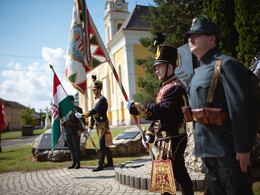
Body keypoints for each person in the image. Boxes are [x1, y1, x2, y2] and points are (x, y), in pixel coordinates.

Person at [185, 15, 258, 195]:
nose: (190, 38)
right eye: (189, 35)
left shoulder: (227, 65)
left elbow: (243, 107)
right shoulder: (198, 73)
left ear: (212, 38)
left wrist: (243, 148)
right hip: (206, 152)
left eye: (197, 34)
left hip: (229, 152)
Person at [127, 45, 194, 195]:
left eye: (159, 66)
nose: (156, 70)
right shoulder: (167, 87)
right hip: (166, 138)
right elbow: (160, 116)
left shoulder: (175, 88)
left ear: (169, 67)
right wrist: (151, 132)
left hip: (173, 139)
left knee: (165, 181)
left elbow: (160, 110)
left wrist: (136, 108)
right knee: (179, 171)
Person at [75, 76, 113, 172]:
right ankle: (110, 162)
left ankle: (100, 164)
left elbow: (94, 111)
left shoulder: (102, 100)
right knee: (105, 144)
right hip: (98, 125)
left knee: (103, 145)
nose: (93, 91)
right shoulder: (96, 100)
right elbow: (93, 115)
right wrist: (90, 126)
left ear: (99, 90)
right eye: (93, 90)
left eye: (95, 90)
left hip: (103, 125)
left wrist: (82, 115)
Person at [61, 95, 84, 169]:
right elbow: (63, 121)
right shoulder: (65, 110)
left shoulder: (77, 109)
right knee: (71, 148)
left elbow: (82, 121)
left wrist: (80, 130)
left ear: (72, 101)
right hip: (67, 131)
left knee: (76, 148)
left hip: (75, 131)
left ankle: (78, 163)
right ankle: (73, 162)